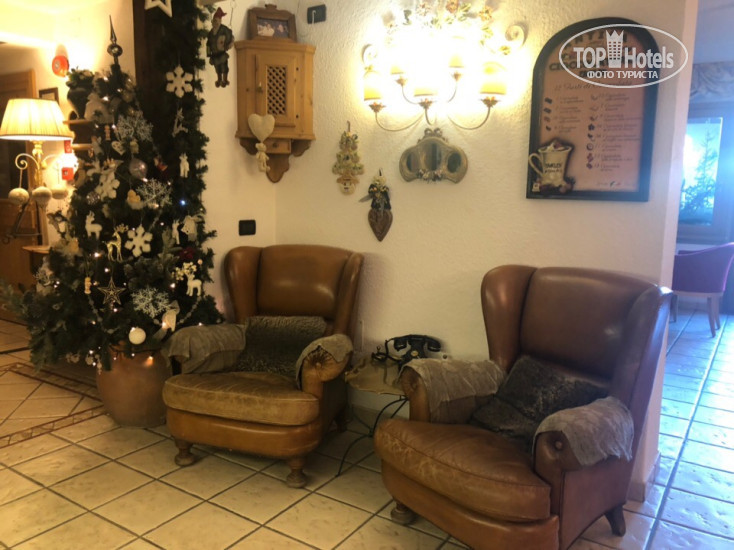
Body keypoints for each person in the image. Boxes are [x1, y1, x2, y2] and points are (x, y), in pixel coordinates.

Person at [207, 8, 234, 88]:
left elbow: (229, 35)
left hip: (222, 53)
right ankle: (219, 80)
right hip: (214, 54)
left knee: (224, 66)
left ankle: (225, 79)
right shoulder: (210, 33)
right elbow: (208, 43)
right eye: (214, 21)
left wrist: (227, 44)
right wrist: (208, 54)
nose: (215, 23)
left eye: (217, 21)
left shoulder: (224, 29)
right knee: (217, 68)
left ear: (220, 21)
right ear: (212, 22)